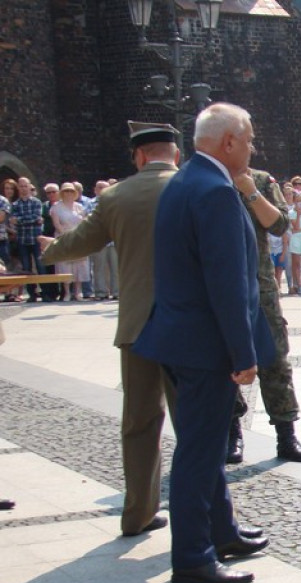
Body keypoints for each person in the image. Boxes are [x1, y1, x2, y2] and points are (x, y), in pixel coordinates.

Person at [39, 122, 235, 538]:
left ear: (140, 157)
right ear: (176, 154)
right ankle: (210, 521)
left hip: (137, 327)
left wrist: (51, 250)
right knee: (197, 429)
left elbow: (81, 242)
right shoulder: (195, 188)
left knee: (140, 424)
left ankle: (138, 513)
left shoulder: (115, 196)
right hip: (189, 329)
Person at [133, 104, 275, 583]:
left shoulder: (187, 180)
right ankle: (193, 555)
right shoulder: (214, 191)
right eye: (250, 139)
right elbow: (227, 283)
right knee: (199, 451)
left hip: (180, 338)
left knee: (207, 443)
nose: (253, 148)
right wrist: (244, 354)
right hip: (205, 345)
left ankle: (222, 531)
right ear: (229, 141)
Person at [227, 168, 301, 464]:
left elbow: (279, 224)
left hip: (260, 285)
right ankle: (231, 432)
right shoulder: (205, 178)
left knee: (275, 359)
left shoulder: (261, 181)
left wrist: (250, 190)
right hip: (219, 287)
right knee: (224, 362)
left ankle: (286, 434)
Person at [50, 183, 89, 300]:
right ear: (62, 193)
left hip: (78, 237)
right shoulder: (56, 207)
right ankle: (67, 292)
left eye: (71, 191)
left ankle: (78, 291)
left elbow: (84, 222)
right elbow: (56, 224)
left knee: (79, 264)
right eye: (66, 191)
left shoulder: (79, 207)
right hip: (64, 237)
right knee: (65, 265)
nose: (69, 193)